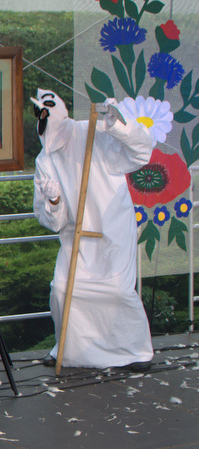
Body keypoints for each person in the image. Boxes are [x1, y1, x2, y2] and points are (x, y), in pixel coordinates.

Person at [31, 89, 154, 371]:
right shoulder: (44, 161)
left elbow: (140, 153)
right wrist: (54, 200)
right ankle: (68, 349)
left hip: (112, 229)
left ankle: (133, 351)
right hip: (76, 237)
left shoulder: (92, 132)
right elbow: (53, 221)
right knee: (62, 289)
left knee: (118, 291)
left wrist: (118, 124)